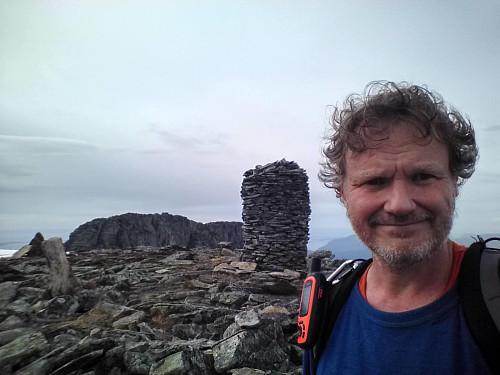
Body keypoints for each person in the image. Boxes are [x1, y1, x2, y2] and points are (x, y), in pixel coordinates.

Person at [305, 81, 492, 374]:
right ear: (343, 195)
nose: (400, 204)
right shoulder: (325, 310)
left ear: (454, 183)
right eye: (375, 181)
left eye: (423, 176)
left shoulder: (493, 298)